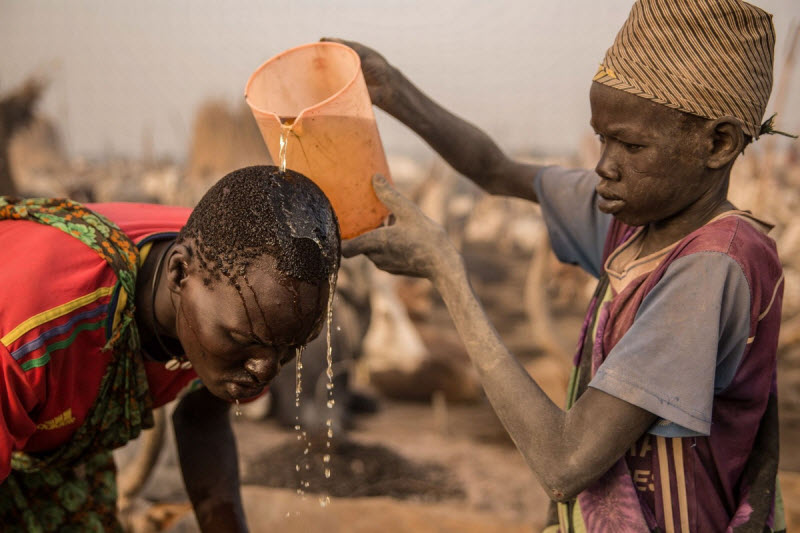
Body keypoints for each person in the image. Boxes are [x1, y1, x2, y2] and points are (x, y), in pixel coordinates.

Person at [328, 0, 793, 530]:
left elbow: (563, 463)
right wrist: (392, 89)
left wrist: (447, 274)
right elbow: (495, 170)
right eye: (603, 137)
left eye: (631, 145)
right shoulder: (634, 218)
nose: (604, 165)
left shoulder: (714, 267)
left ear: (719, 143)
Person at [0, 164, 340, 532]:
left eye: (292, 347)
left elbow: (202, 417)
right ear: (178, 274)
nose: (265, 370)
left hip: (60, 457)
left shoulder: (241, 277)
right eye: (246, 341)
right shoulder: (31, 336)